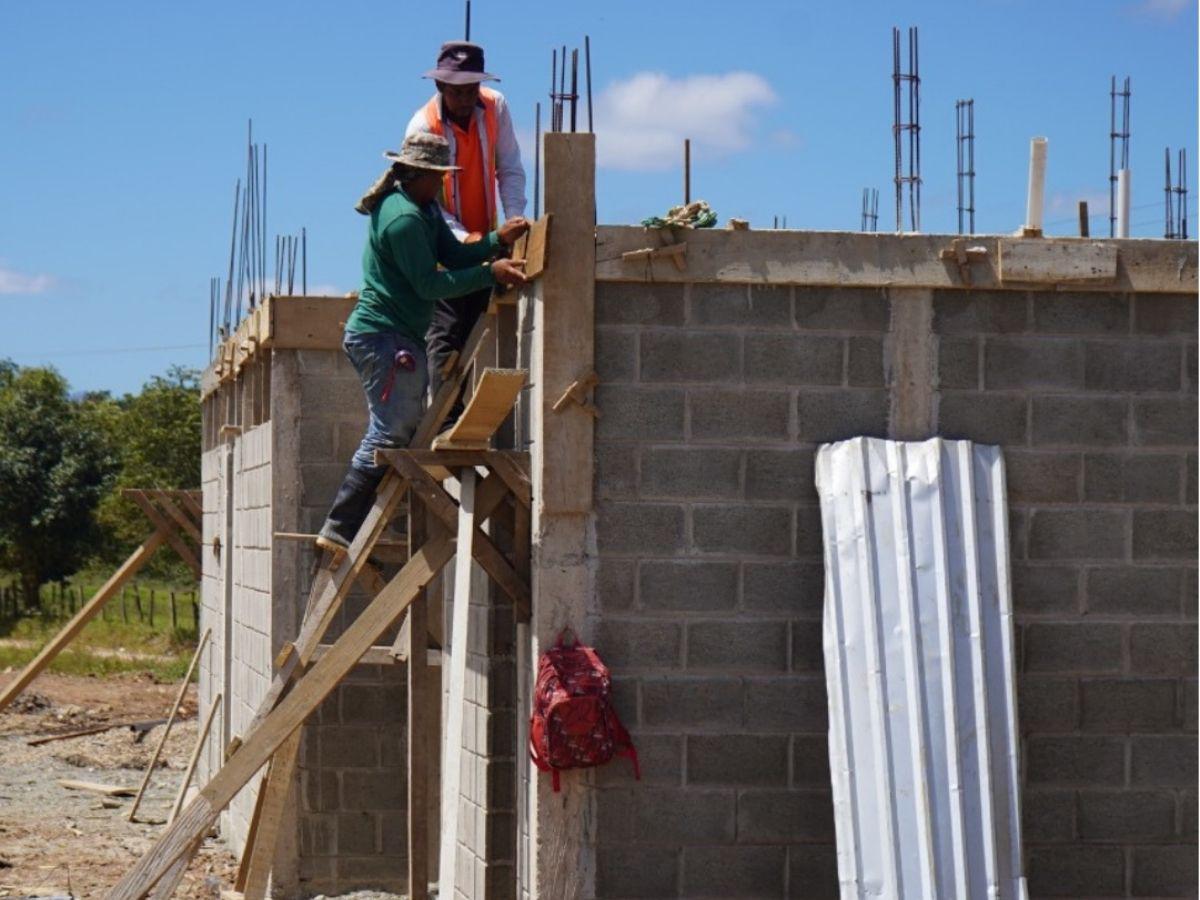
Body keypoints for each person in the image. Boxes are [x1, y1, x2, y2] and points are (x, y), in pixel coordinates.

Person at [316, 133, 528, 553]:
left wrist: (495, 242)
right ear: (418, 174)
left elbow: (452, 256)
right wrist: (491, 273)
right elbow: (430, 285)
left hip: (395, 335)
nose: (443, 185)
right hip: (381, 336)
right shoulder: (404, 219)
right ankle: (340, 527)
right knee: (389, 432)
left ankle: (357, 528)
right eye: (438, 177)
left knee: (401, 429)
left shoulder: (424, 207)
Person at [405, 41, 526, 424]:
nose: (464, 98)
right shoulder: (424, 127)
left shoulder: (495, 106)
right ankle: (442, 416)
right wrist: (468, 240)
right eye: (457, 91)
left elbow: (509, 167)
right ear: (441, 87)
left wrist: (516, 223)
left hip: (487, 240)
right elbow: (427, 199)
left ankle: (454, 412)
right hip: (444, 242)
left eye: (471, 89)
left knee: (472, 326)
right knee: (446, 330)